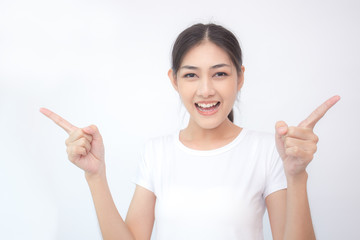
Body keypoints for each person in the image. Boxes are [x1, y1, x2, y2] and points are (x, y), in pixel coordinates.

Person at [40, 23, 340, 240]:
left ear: (240, 77)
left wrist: (297, 176)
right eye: (191, 75)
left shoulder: (267, 152)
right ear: (174, 80)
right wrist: (95, 176)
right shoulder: (156, 152)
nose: (206, 90)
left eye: (220, 73)